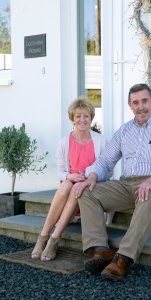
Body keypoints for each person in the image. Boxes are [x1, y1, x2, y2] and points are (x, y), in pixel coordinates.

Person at [74, 83, 151, 280]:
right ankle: (101, 250)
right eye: (135, 103)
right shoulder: (125, 131)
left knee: (149, 193)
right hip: (127, 184)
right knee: (87, 191)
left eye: (144, 101)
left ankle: (123, 258)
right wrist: (91, 176)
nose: (140, 106)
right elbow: (105, 160)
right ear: (130, 106)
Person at [31, 97, 112, 261]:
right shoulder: (63, 143)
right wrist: (70, 176)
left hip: (92, 187)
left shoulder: (101, 141)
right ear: (72, 119)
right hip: (69, 188)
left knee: (76, 187)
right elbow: (60, 171)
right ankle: (44, 235)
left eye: (86, 116)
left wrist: (90, 177)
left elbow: (108, 171)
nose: (82, 120)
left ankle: (54, 238)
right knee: (68, 183)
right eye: (78, 116)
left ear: (91, 118)